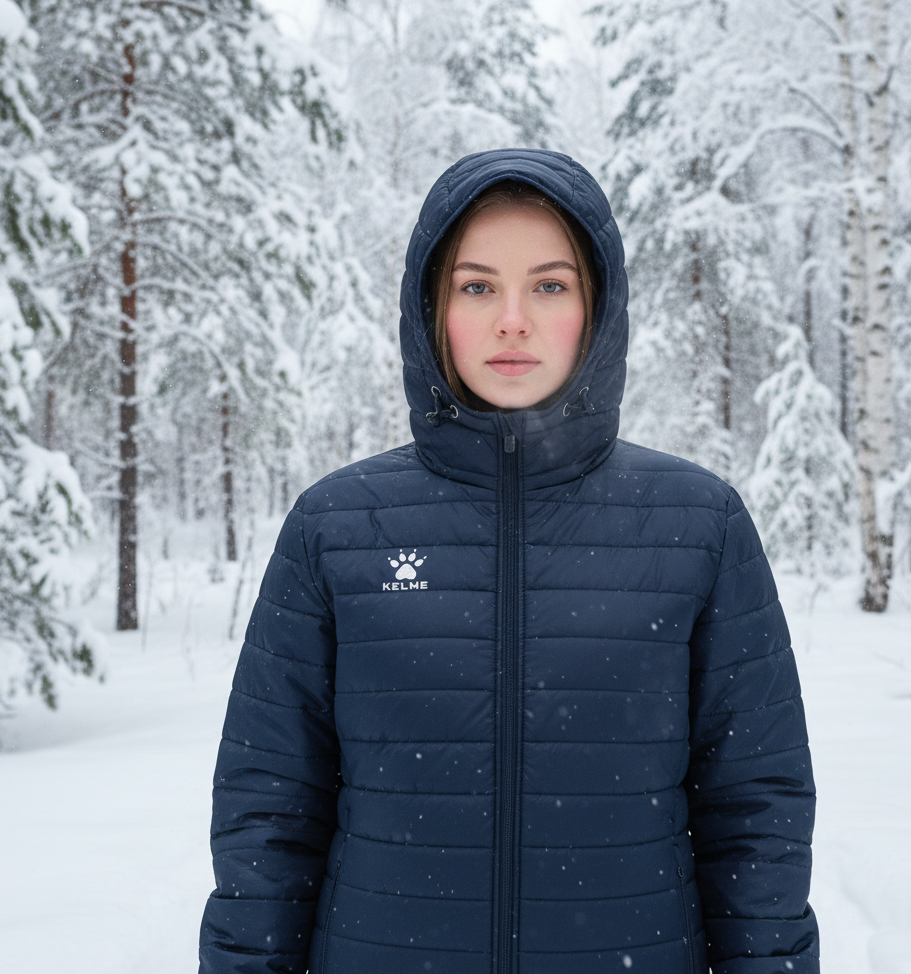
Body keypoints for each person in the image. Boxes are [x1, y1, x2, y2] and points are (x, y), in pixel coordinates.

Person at [198, 149, 818, 974]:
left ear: (598, 308)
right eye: (477, 286)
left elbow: (756, 819)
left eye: (550, 286)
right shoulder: (338, 526)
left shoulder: (699, 523)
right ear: (433, 307)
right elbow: (268, 816)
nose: (513, 320)